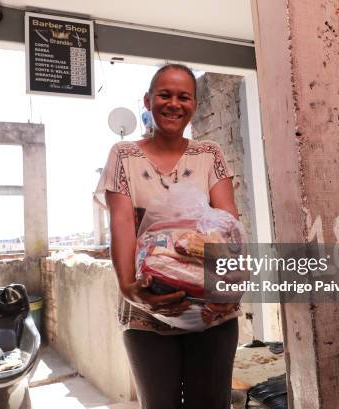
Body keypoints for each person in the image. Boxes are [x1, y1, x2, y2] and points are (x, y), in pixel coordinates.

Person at [94, 63, 240, 409]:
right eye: (164, 94)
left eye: (183, 96)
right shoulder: (124, 155)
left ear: (194, 105)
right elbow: (122, 223)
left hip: (211, 310)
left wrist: (231, 286)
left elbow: (228, 222)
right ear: (147, 100)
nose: (174, 103)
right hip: (148, 311)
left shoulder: (209, 154)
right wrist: (129, 287)